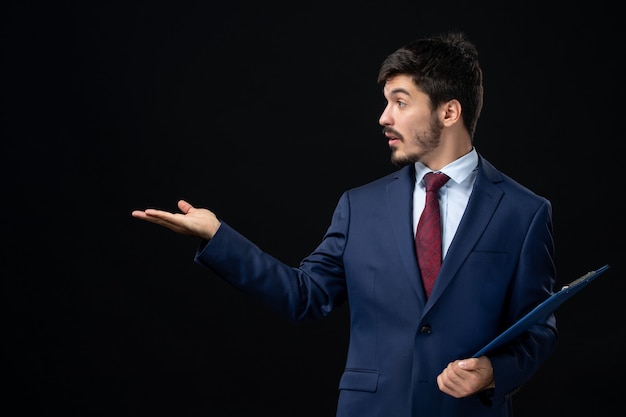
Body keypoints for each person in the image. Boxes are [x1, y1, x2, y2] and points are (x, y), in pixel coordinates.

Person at [131, 31, 558, 416]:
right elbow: (304, 296)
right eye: (387, 101)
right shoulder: (359, 207)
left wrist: (491, 372)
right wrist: (217, 236)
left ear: (449, 112)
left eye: (400, 102)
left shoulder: (523, 211)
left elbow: (537, 330)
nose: (384, 117)